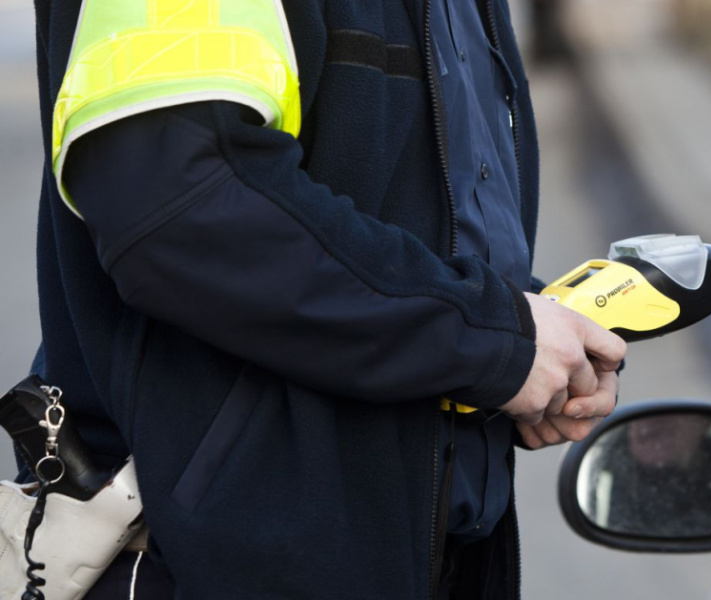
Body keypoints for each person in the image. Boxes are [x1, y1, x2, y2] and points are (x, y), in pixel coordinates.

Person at [26, 0, 626, 597]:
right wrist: (487, 338)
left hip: (426, 551)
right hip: (215, 559)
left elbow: (403, 208)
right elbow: (179, 205)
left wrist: (528, 334)